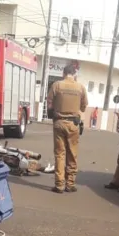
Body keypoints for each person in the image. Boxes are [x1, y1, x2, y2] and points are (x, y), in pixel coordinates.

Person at [46, 65, 88, 193]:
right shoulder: (80, 87)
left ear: (63, 73)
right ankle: (70, 184)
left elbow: (49, 102)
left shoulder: (57, 85)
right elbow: (84, 106)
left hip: (59, 122)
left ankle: (59, 185)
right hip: (73, 124)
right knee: (72, 154)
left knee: (60, 154)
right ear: (74, 74)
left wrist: (53, 112)